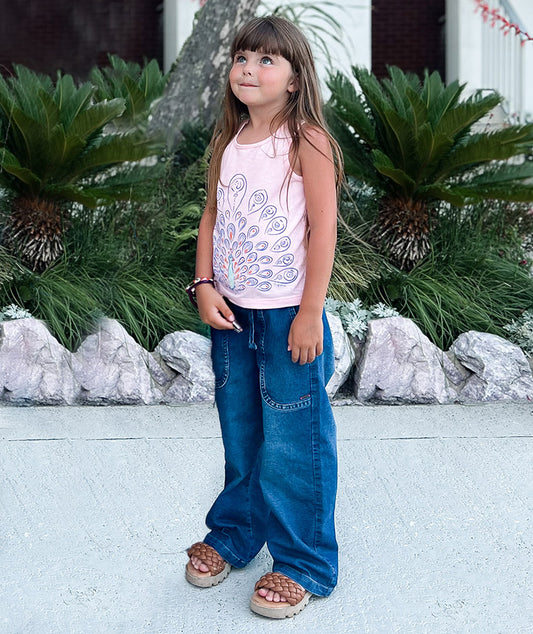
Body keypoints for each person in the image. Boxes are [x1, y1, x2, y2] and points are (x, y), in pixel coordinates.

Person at [184, 15, 343, 619]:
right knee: (242, 429)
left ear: (297, 79)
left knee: (294, 441)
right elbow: (211, 217)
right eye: (242, 58)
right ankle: (235, 533)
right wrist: (203, 283)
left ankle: (303, 561)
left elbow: (323, 231)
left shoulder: (306, 140)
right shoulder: (230, 142)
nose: (249, 70)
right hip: (230, 314)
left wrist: (310, 314)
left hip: (286, 318)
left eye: (267, 61)